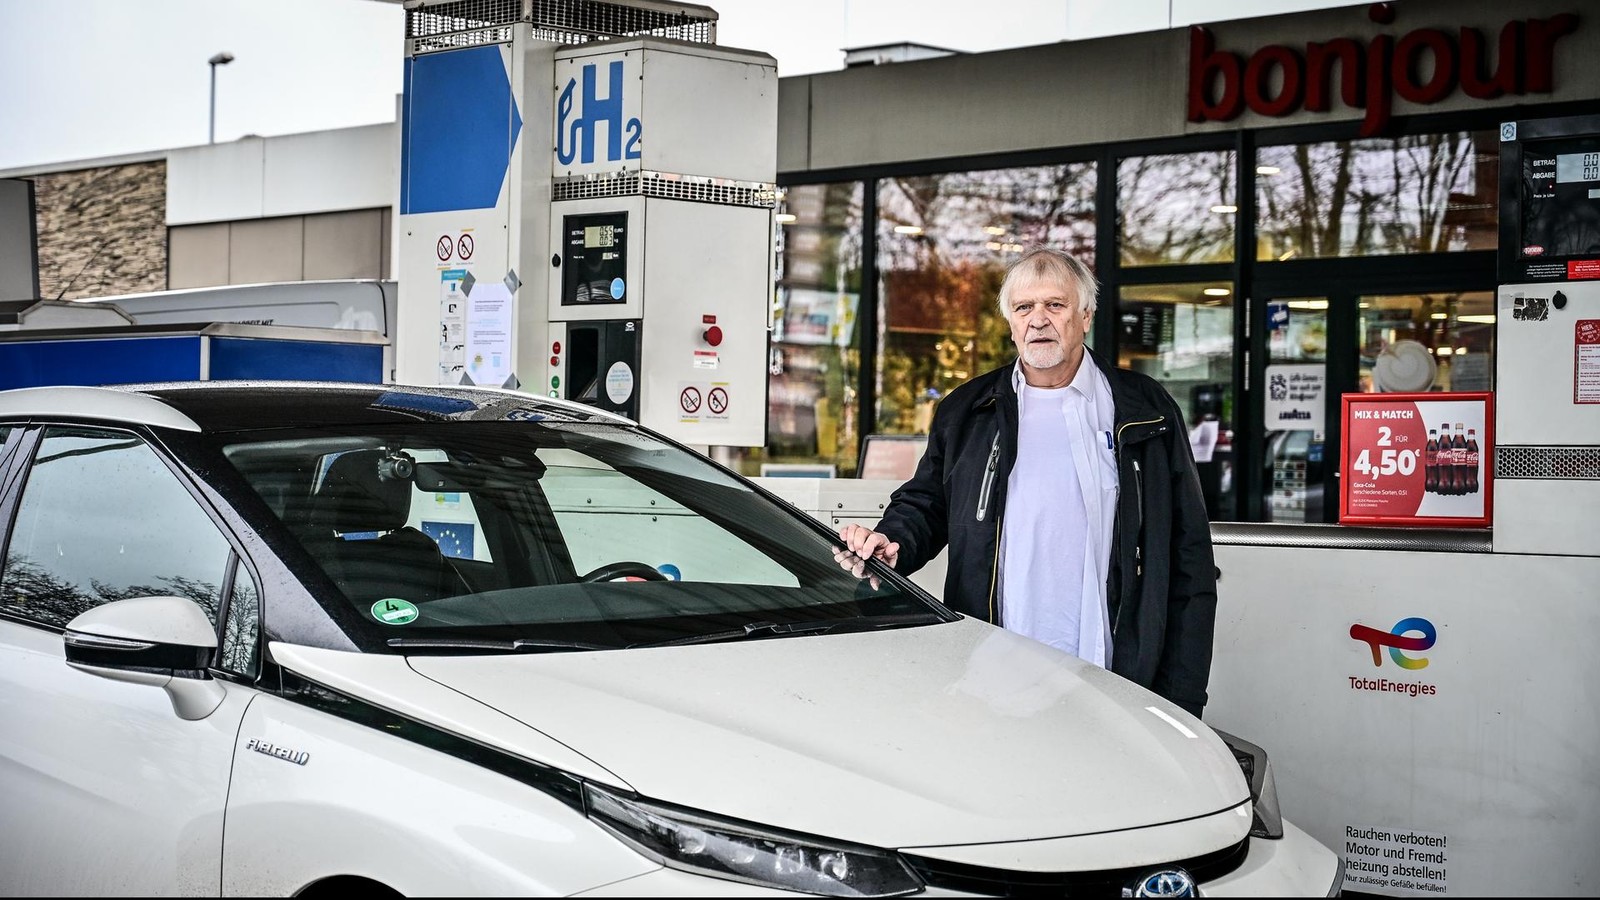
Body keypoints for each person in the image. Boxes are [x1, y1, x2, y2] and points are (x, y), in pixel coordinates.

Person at [837, 246, 1217, 718]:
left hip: (1118, 673)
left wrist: (1182, 699)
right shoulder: (968, 411)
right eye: (1023, 307)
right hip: (992, 673)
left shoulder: (1145, 409)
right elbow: (928, 502)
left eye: (1055, 305)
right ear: (1011, 323)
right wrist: (894, 541)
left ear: (1085, 316)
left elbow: (1189, 557)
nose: (1039, 320)